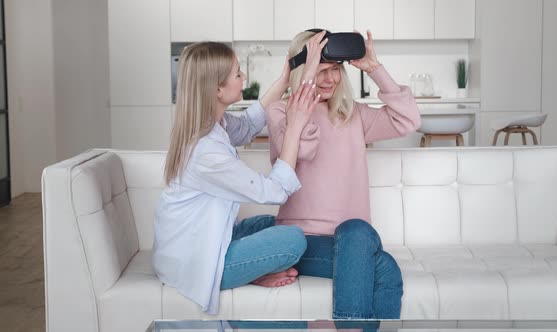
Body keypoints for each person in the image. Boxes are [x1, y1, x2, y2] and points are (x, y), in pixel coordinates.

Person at [152, 40, 323, 315]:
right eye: (237, 73)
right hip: (196, 262)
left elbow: (245, 127)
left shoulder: (211, 123)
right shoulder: (205, 151)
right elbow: (274, 192)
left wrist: (283, 81)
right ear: (217, 89)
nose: (243, 77)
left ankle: (252, 270)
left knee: (274, 223)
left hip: (209, 239)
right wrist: (295, 125)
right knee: (292, 238)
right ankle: (246, 271)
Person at [266, 30, 422, 319]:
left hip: (355, 239)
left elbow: (409, 120)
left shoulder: (353, 115)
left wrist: (375, 69)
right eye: (320, 70)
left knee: (356, 230)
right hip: (304, 242)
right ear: (303, 73)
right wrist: (307, 85)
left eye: (335, 70)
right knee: (386, 269)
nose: (329, 79)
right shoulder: (279, 113)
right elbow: (303, 149)